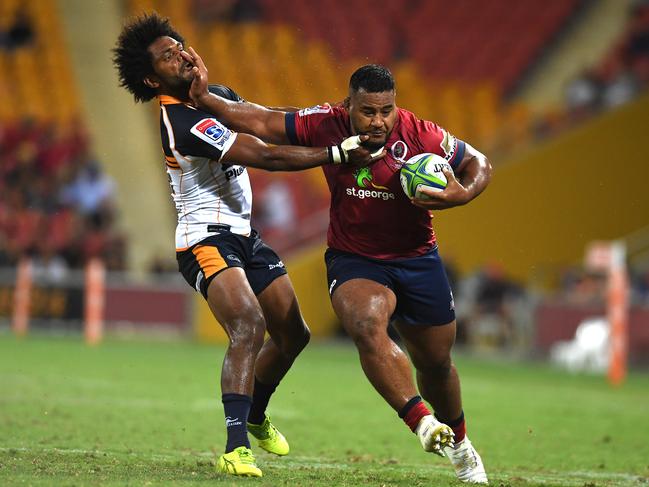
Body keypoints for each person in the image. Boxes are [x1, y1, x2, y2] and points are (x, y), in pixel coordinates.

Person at [185, 48, 493, 484]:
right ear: (349, 105)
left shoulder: (421, 134)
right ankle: (423, 422)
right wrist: (208, 100)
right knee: (367, 325)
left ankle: (460, 443)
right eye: (367, 111)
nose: (378, 122)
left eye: (386, 111)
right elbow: (265, 121)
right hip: (355, 258)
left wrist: (463, 193)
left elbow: (478, 161)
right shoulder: (325, 122)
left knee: (437, 362)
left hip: (417, 257)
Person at [112, 13, 379, 479]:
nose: (180, 54)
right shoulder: (180, 121)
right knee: (248, 323)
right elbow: (266, 155)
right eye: (167, 56)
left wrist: (332, 118)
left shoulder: (220, 99)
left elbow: (271, 124)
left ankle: (256, 415)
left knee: (294, 334)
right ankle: (236, 446)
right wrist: (336, 152)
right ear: (154, 78)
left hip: (244, 236)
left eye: (180, 46)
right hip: (203, 239)